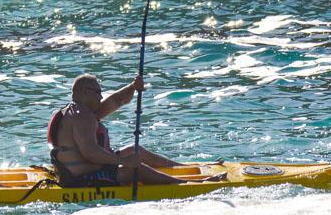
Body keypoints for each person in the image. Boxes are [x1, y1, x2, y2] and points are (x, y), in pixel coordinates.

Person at [47, 74, 223, 188]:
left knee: (134, 150)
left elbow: (116, 101)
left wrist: (133, 87)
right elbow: (90, 152)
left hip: (81, 171)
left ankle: (186, 168)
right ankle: (190, 184)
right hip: (80, 180)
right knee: (135, 170)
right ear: (85, 92)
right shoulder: (82, 117)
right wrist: (123, 161)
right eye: (98, 92)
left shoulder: (78, 111)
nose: (101, 97)